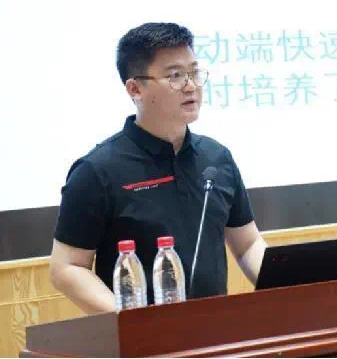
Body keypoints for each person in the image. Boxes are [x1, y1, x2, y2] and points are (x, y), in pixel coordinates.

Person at [49, 22, 267, 314]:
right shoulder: (96, 171)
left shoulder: (216, 159)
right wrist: (132, 321)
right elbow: (67, 267)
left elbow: (248, 244)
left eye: (194, 72)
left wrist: (289, 288)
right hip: (141, 336)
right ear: (135, 88)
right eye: (175, 75)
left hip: (215, 330)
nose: (191, 86)